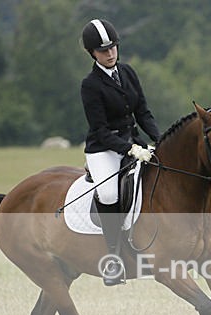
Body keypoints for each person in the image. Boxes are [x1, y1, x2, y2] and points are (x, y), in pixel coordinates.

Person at [80, 18, 161, 285]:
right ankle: (113, 258)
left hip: (133, 143)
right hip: (104, 149)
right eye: (103, 51)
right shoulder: (90, 85)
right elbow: (101, 131)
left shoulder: (128, 72)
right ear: (92, 53)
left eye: (113, 47)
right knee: (109, 192)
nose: (110, 53)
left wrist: (161, 140)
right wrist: (131, 149)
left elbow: (143, 113)